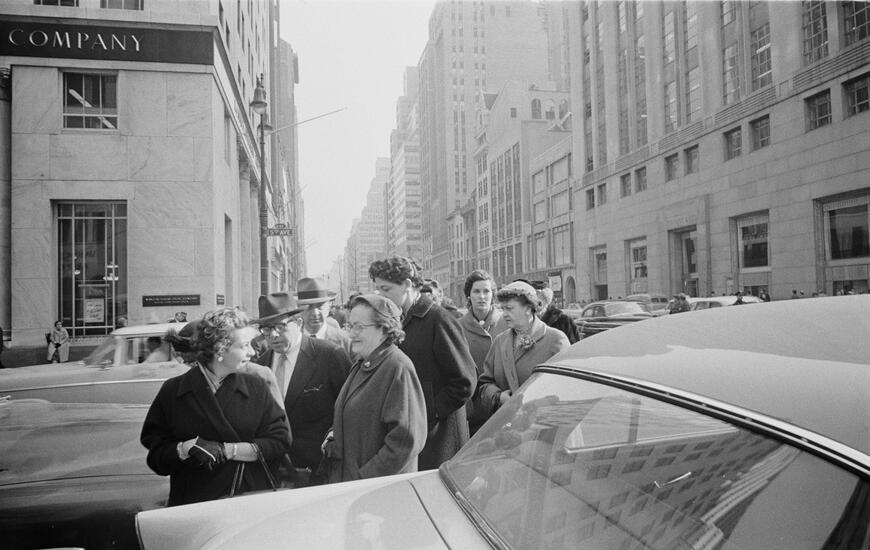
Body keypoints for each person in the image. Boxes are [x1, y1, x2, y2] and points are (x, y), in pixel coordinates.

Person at [140, 308, 292, 506]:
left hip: (247, 501)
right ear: (220, 348)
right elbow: (156, 456)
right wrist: (185, 449)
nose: (252, 352)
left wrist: (229, 450)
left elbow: (280, 441)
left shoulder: (256, 387)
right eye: (244, 345)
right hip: (194, 504)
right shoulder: (174, 390)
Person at [369, 257, 476, 469]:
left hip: (439, 437)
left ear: (408, 284)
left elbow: (465, 381)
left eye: (386, 289)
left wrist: (429, 410)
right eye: (378, 289)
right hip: (409, 431)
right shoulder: (395, 320)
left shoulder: (439, 319)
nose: (381, 295)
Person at [322, 294, 427, 483]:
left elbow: (405, 441)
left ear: (384, 329)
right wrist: (333, 434)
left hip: (377, 491)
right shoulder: (362, 364)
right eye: (350, 326)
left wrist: (365, 478)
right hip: (354, 485)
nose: (351, 334)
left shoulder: (397, 367)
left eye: (359, 327)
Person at [254, 292, 351, 479]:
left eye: (280, 327)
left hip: (321, 470)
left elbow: (349, 410)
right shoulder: (261, 366)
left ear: (298, 323)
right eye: (266, 329)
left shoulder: (330, 356)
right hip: (273, 473)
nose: (273, 335)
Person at [476, 281, 570, 419]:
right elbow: (485, 384)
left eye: (509, 308)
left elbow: (567, 389)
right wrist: (499, 397)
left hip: (543, 425)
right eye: (503, 309)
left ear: (528, 308)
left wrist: (536, 405)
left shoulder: (555, 340)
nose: (504, 314)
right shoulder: (500, 341)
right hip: (506, 425)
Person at [457, 270, 508, 434]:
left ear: (493, 295)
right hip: (473, 409)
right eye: (476, 291)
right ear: (469, 296)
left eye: (486, 291)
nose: (482, 296)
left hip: (504, 403)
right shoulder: (457, 327)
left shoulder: (507, 322)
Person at [296, 277, 352, 353]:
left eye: (320, 306)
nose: (315, 313)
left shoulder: (346, 341)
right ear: (299, 309)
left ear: (329, 306)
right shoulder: (292, 341)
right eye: (309, 307)